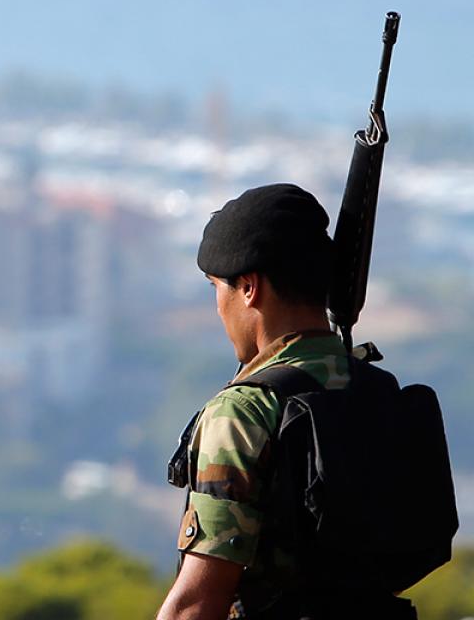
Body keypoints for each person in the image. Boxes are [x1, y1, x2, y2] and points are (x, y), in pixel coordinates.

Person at [156, 183, 417, 620]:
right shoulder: (375, 389)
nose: (217, 306)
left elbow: (199, 601)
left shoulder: (244, 412)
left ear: (248, 288)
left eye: (217, 287)